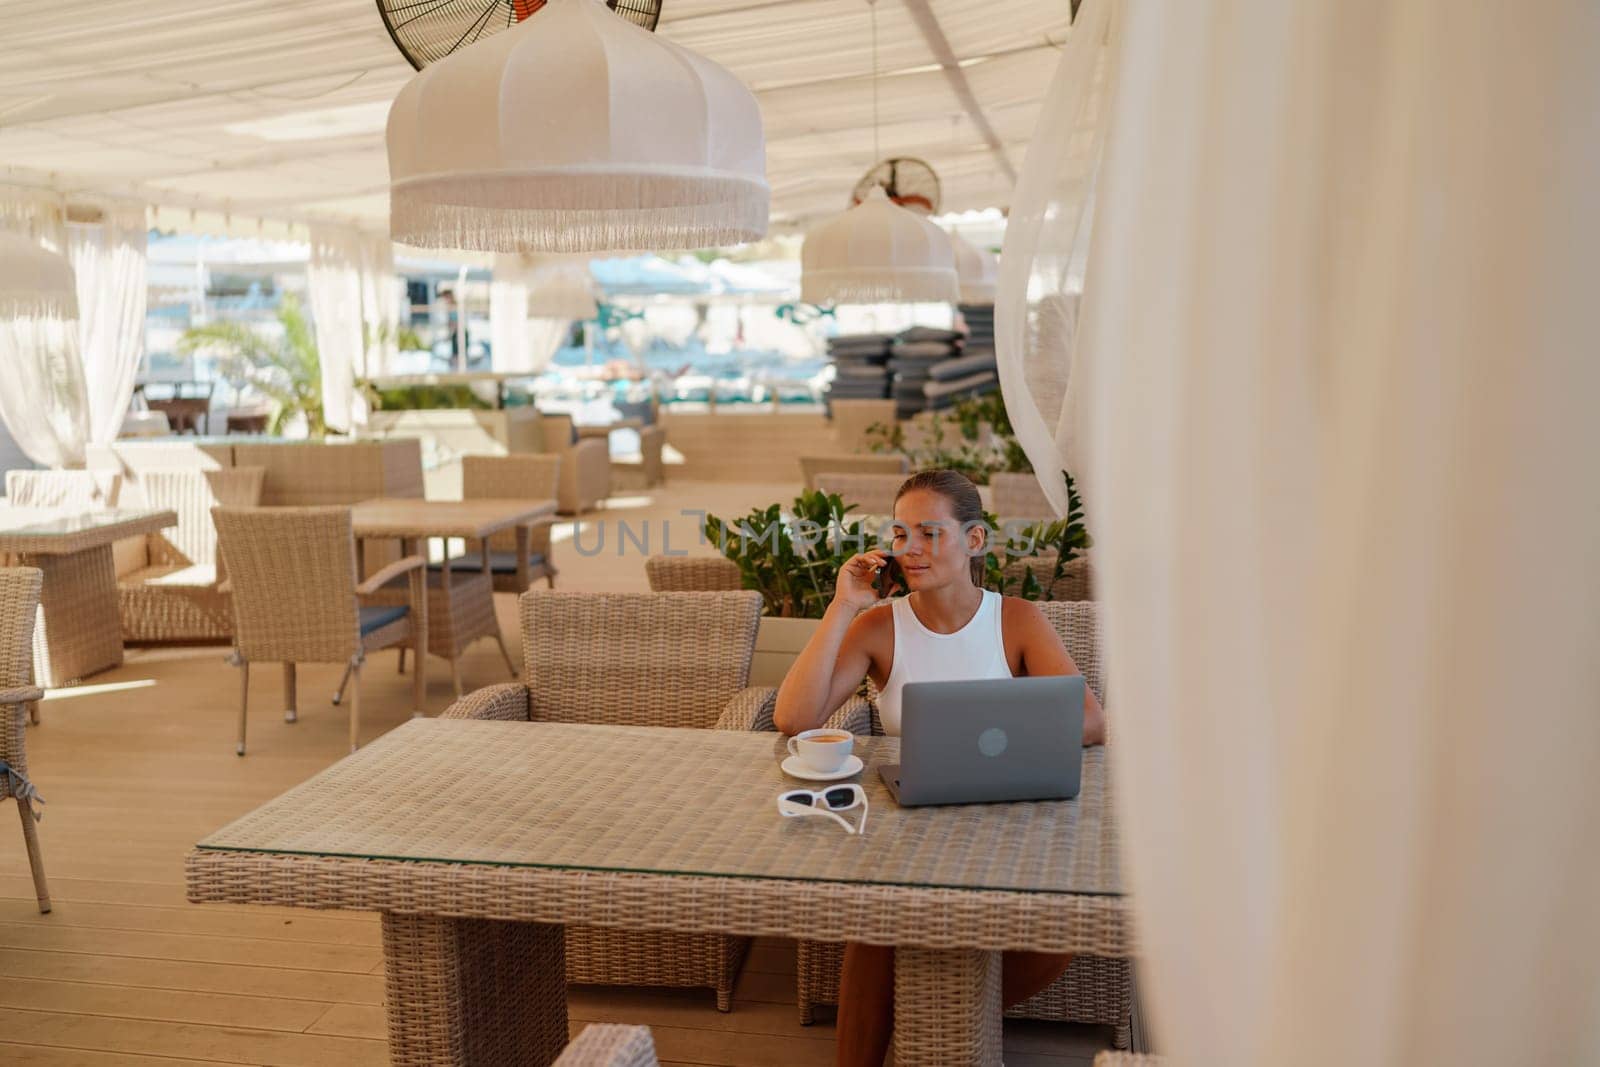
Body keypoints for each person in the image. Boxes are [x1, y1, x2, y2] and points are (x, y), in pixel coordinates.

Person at [774, 468, 1105, 1067]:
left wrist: (1003, 726)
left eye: (930, 533)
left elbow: (1090, 721)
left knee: (1054, 945)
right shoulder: (881, 626)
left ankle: (929, 1014)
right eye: (900, 535)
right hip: (906, 828)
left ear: (973, 541)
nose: (911, 550)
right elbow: (795, 718)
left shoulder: (1017, 620)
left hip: (1008, 822)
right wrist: (844, 606)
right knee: (877, 928)